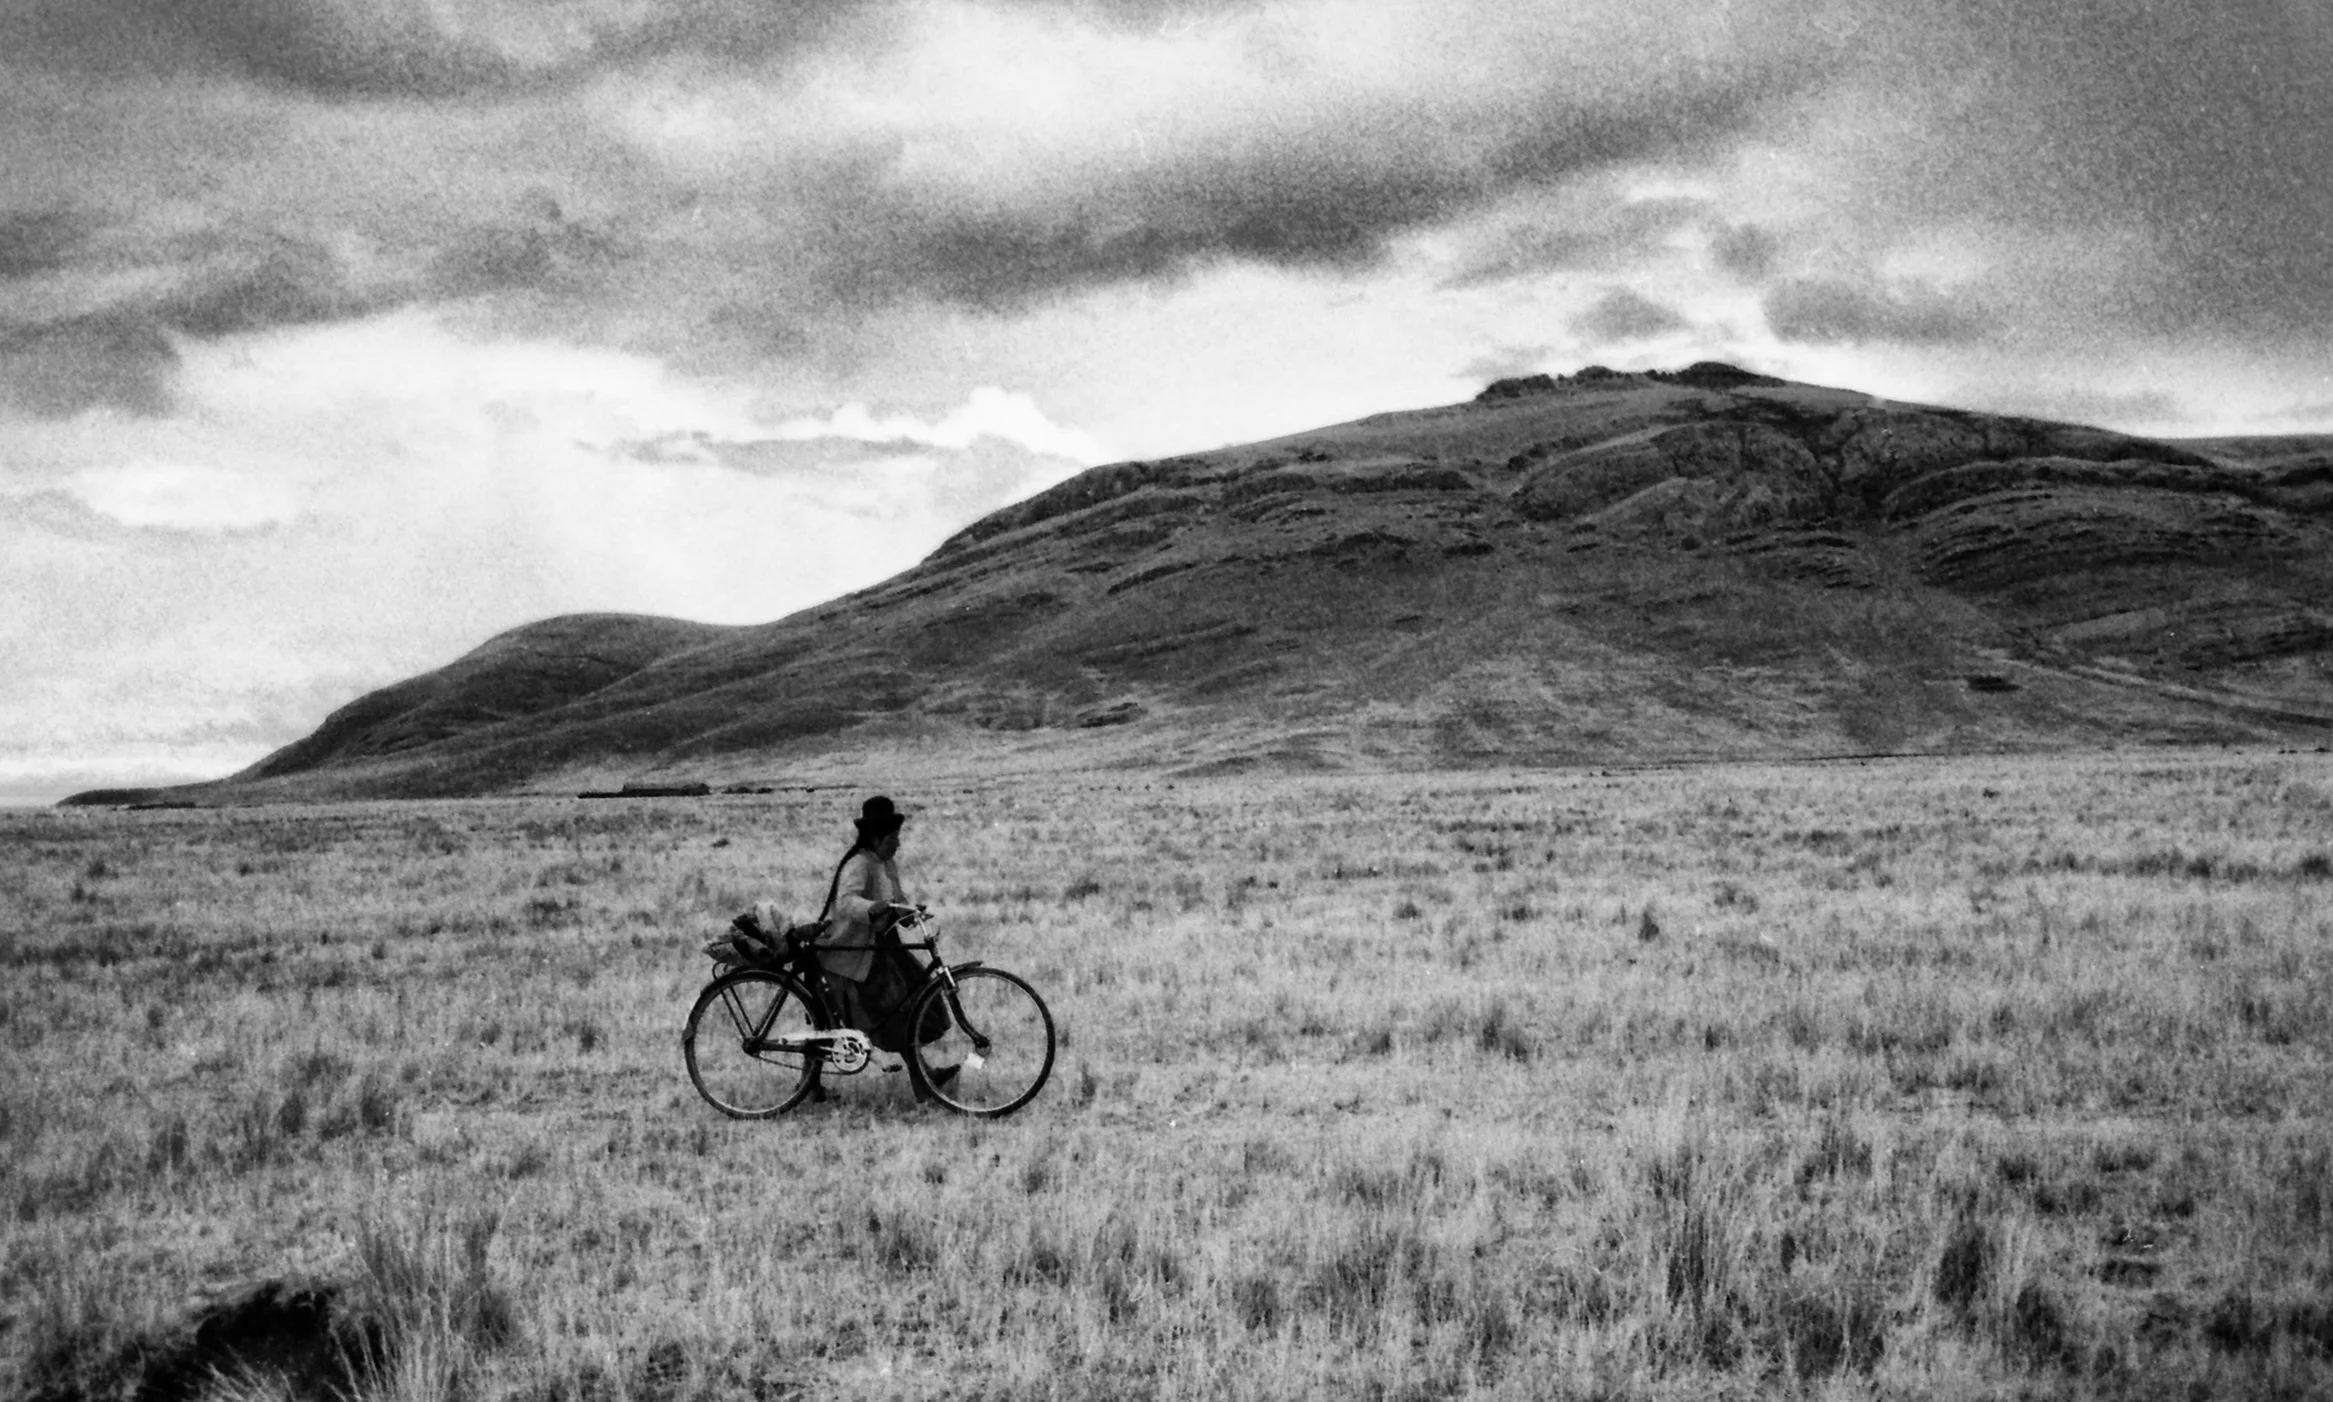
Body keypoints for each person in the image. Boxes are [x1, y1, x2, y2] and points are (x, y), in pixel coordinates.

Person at [814, 795, 956, 1096]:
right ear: (877, 838)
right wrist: (873, 908)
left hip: (884, 949)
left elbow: (896, 900)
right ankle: (924, 1079)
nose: (898, 844)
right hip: (858, 954)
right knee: (899, 1010)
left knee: (909, 1007)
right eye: (894, 838)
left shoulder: (885, 863)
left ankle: (923, 1078)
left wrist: (909, 913)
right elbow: (846, 902)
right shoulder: (859, 864)